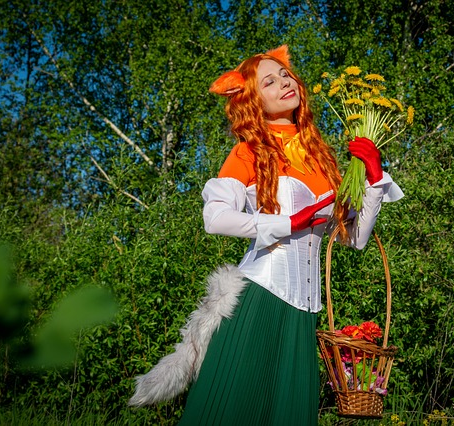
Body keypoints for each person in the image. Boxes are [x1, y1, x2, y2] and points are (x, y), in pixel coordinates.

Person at [128, 45, 403, 425]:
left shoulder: (322, 157)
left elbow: (353, 238)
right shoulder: (248, 151)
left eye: (285, 75)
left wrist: (374, 178)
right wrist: (288, 223)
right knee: (232, 410)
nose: (283, 83)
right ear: (253, 101)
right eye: (268, 82)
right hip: (260, 297)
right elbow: (214, 217)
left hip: (304, 312)